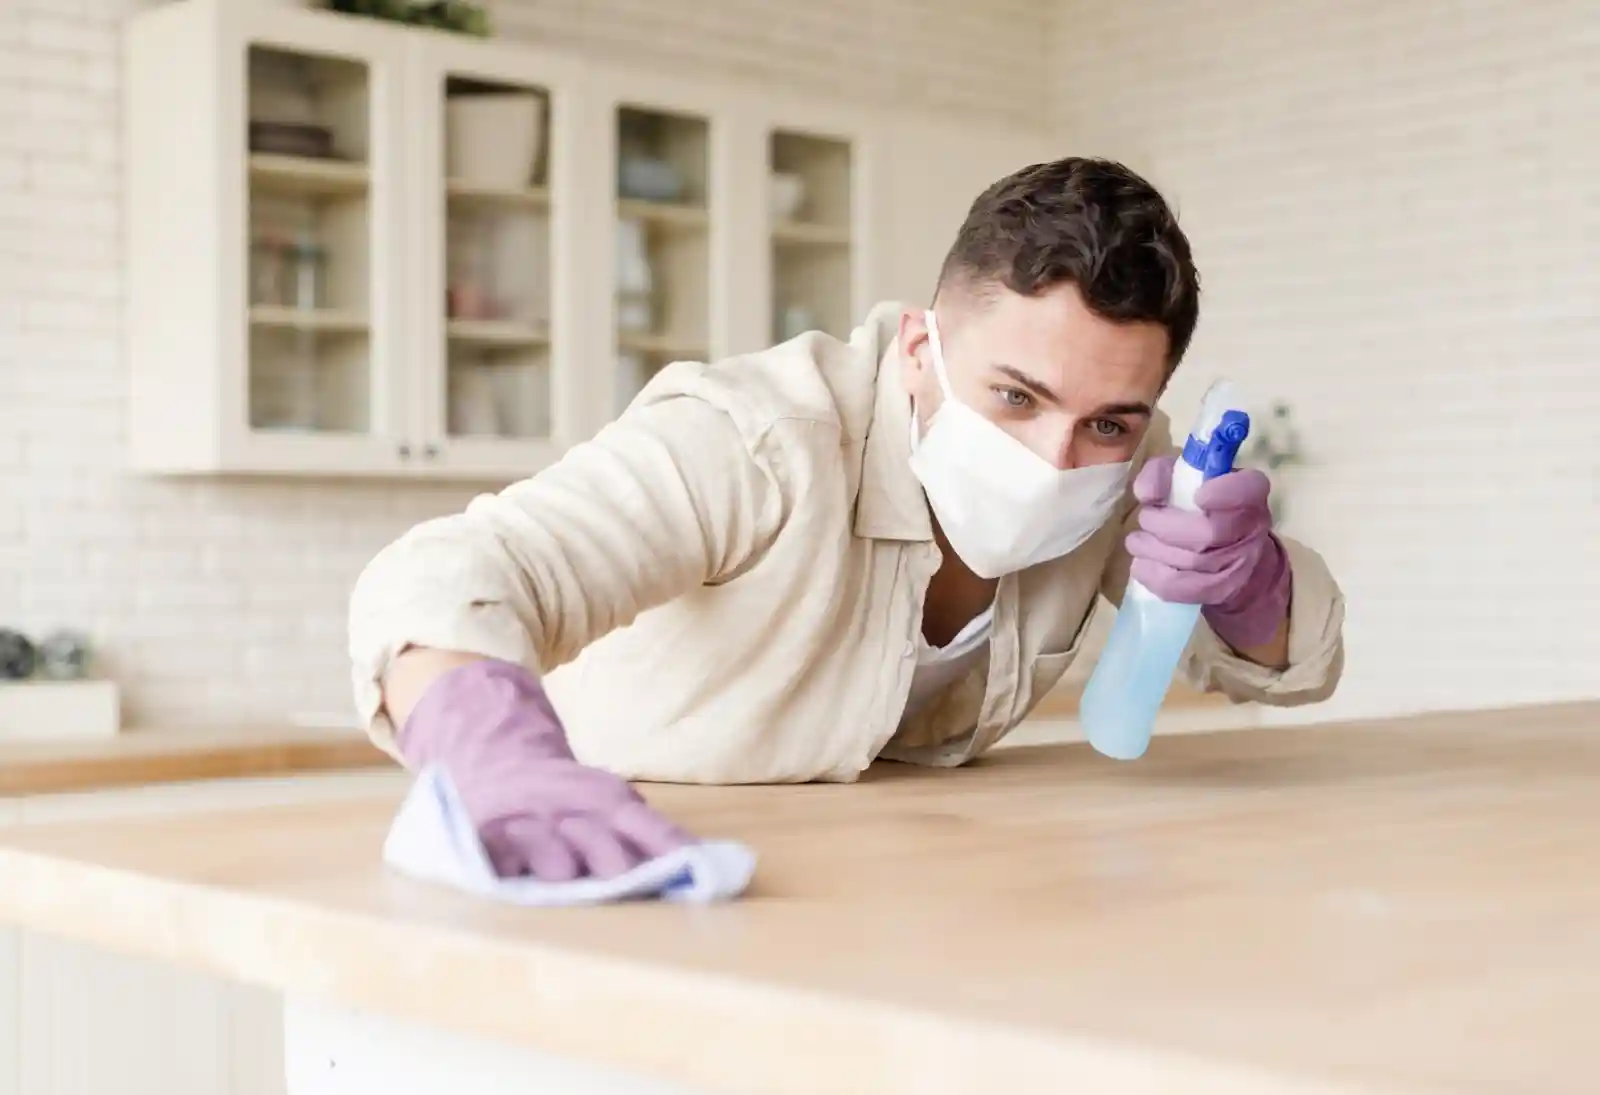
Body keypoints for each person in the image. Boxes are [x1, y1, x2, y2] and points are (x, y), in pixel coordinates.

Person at [348, 156, 1345, 881]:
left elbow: (1283, 667)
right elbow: (452, 571)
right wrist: (497, 758)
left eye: (1107, 422)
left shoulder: (1129, 459)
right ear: (918, 348)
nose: (1054, 461)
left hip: (890, 886)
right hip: (617, 865)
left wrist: (1248, 581)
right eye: (1014, 397)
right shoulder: (757, 438)